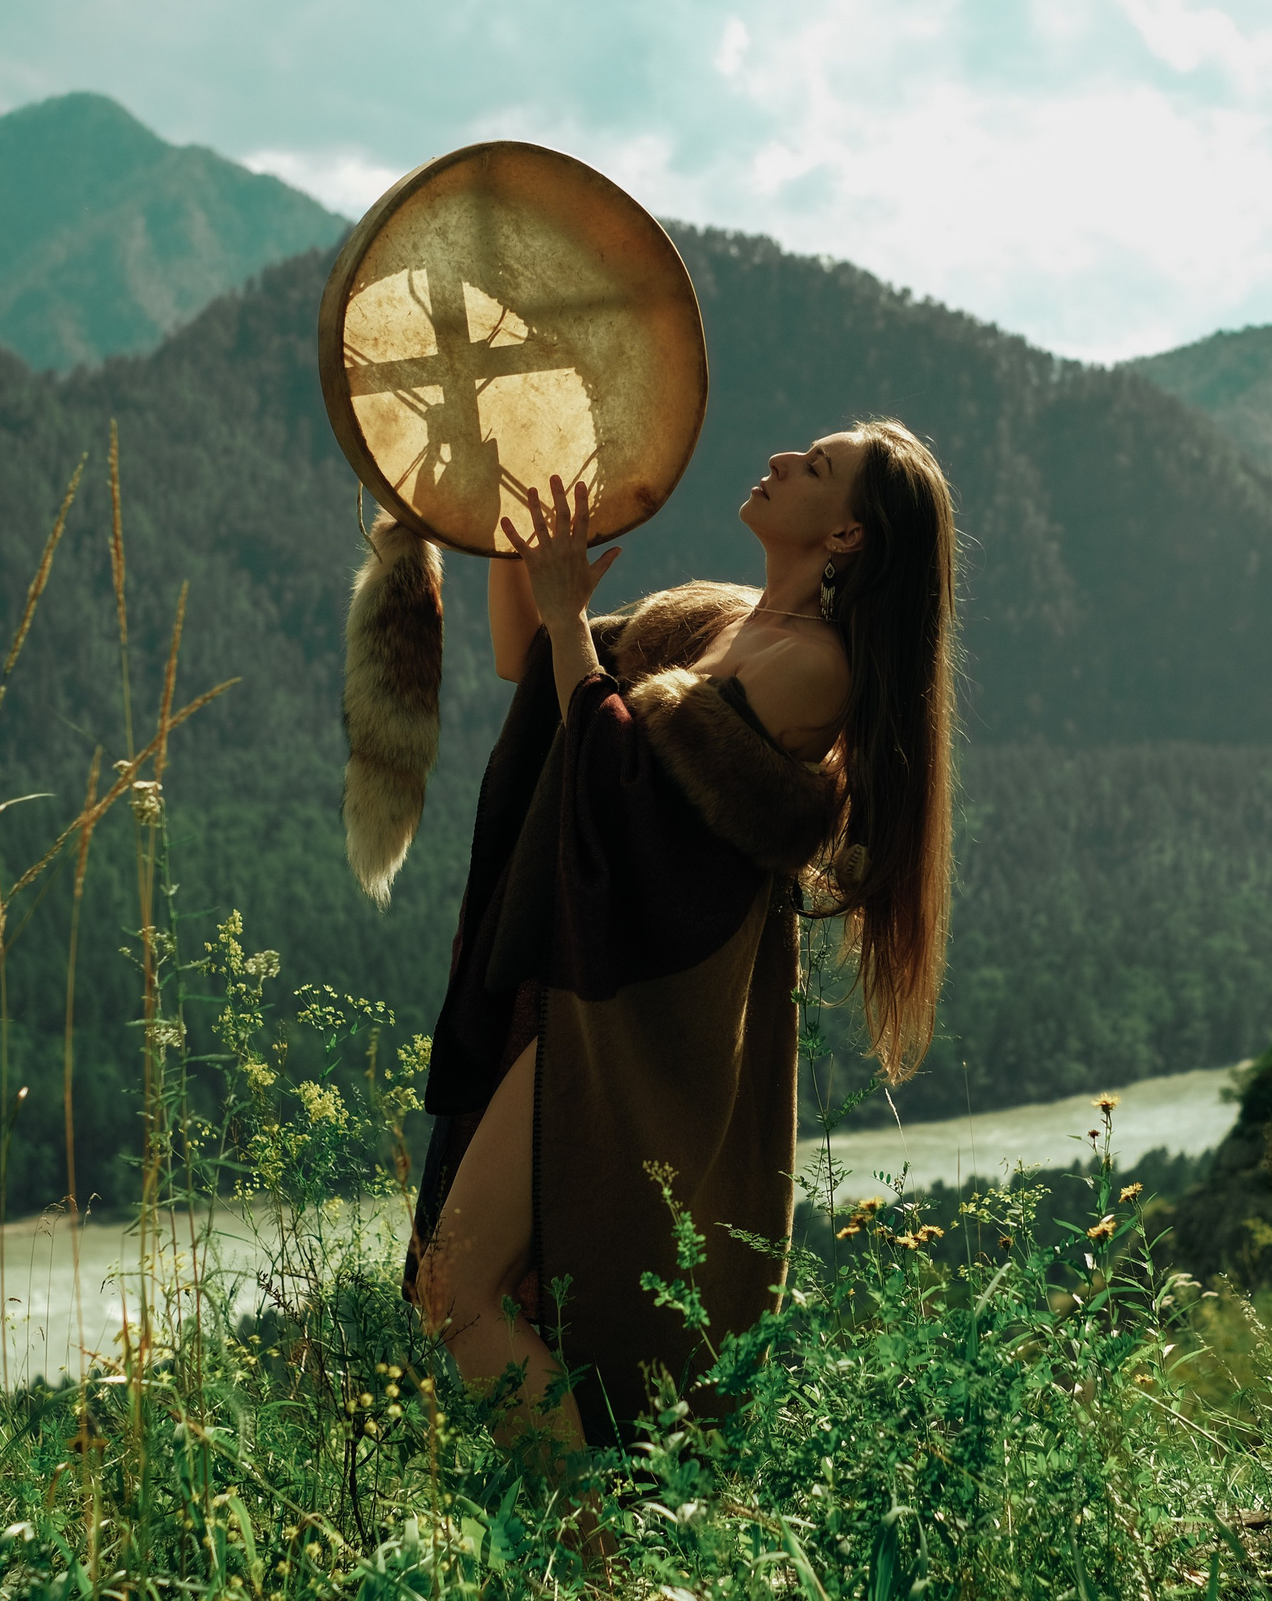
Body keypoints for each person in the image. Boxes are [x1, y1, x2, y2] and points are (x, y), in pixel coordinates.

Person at [379, 418, 957, 1459]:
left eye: (816, 470)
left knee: (458, 1287)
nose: (780, 459)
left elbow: (626, 791)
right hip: (582, 987)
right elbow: (534, 662)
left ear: (849, 540)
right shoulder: (714, 617)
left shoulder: (814, 670)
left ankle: (599, 1562)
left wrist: (567, 620)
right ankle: (598, 1554)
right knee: (470, 1285)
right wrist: (519, 532)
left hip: (642, 1025)